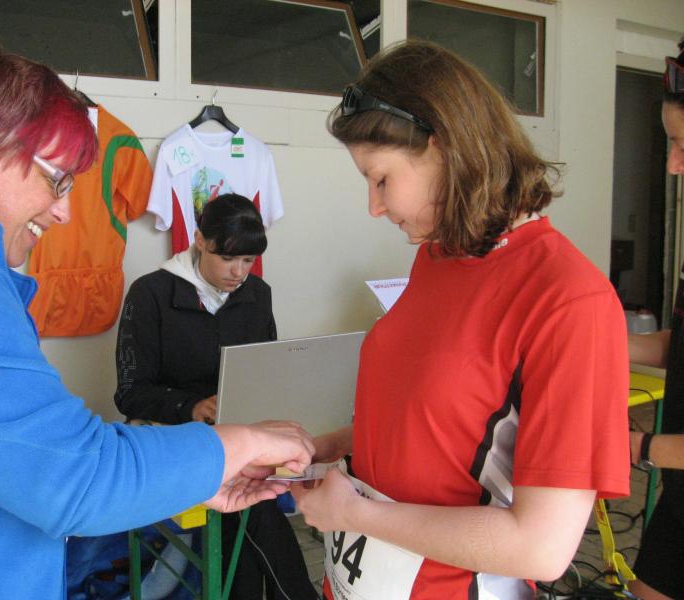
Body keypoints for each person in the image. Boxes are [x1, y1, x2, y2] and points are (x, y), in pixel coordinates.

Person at [0, 43, 314, 599]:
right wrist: (237, 444)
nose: (64, 210)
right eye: (56, 180)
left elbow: (24, 458)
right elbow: (74, 475)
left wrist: (195, 475)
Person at [290, 40, 630, 600]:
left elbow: (541, 547)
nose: (374, 206)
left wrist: (356, 514)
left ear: (445, 148)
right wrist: (338, 446)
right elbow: (446, 422)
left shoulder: (570, 301)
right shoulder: (438, 258)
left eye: (381, 179)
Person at [114, 193, 318, 599]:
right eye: (228, 259)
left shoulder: (257, 294)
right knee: (253, 508)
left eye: (248, 261)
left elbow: (266, 372)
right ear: (199, 241)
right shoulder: (151, 293)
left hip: (239, 433)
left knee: (250, 504)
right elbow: (130, 393)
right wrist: (191, 407)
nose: (238, 272)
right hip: (172, 435)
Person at [626, 39, 684, 600]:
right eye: (670, 143)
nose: (672, 165)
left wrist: (637, 449)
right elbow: (678, 345)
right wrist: (596, 340)